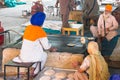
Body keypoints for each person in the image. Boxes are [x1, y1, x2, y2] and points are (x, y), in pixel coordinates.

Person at [12, 12, 57, 76]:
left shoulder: (28, 28)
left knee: (37, 53)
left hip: (23, 56)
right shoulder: (40, 31)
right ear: (42, 22)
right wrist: (52, 49)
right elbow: (46, 47)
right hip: (32, 57)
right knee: (44, 55)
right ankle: (36, 72)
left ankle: (32, 69)